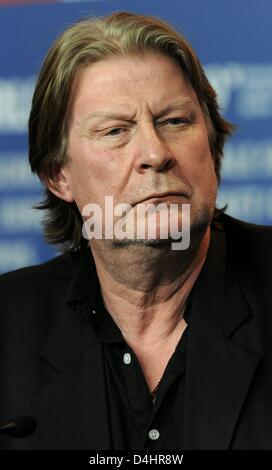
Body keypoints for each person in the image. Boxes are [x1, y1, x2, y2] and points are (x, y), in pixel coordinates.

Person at [0, 11, 272, 451]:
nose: (154, 153)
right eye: (115, 131)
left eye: (175, 121)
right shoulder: (9, 326)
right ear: (59, 175)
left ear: (211, 143)